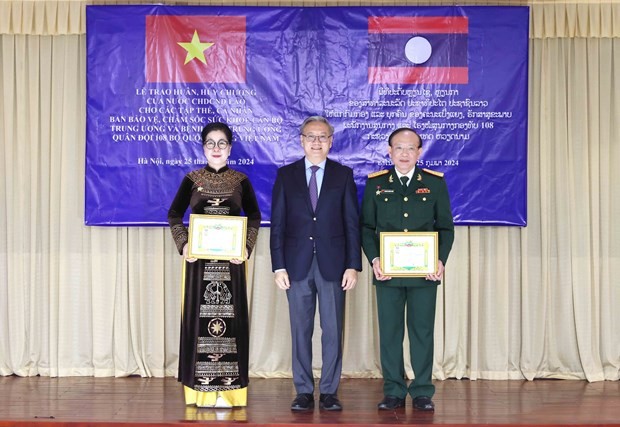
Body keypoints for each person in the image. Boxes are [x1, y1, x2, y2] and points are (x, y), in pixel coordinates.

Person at [270, 116, 362, 411]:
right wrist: (278, 266)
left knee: (333, 330)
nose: (317, 142)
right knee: (300, 330)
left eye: (323, 137)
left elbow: (352, 224)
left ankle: (330, 391)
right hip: (295, 266)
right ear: (301, 140)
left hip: (334, 265)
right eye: (311, 136)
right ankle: (304, 391)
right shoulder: (286, 176)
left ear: (331, 141)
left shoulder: (343, 175)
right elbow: (278, 226)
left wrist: (353, 265)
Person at [168, 122, 261, 408]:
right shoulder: (191, 178)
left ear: (230, 148)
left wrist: (245, 247)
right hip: (199, 265)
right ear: (203, 147)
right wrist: (184, 245)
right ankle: (202, 392)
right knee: (198, 323)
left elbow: (254, 216)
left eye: (222, 143)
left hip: (231, 264)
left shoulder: (241, 180)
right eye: (211, 143)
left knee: (233, 324)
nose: (216, 148)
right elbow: (174, 214)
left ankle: (230, 393)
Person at [360, 127, 454, 412]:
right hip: (387, 273)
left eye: (410, 148)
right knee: (389, 333)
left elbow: (445, 228)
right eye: (398, 148)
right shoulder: (377, 184)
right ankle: (394, 390)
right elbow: (366, 227)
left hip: (424, 274)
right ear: (389, 151)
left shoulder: (434, 184)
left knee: (422, 331)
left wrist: (439, 261)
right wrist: (375, 260)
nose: (404, 153)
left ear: (419, 152)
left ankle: (422, 391)